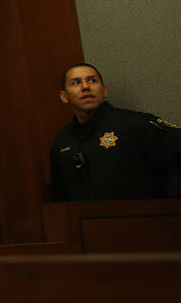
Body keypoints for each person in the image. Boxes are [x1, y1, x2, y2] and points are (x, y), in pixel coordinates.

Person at [48, 63, 180, 202]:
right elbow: (58, 194)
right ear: (64, 96)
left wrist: (171, 206)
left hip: (142, 220)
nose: (85, 87)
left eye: (92, 80)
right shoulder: (63, 140)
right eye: (75, 83)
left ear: (104, 91)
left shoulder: (135, 124)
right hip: (86, 221)